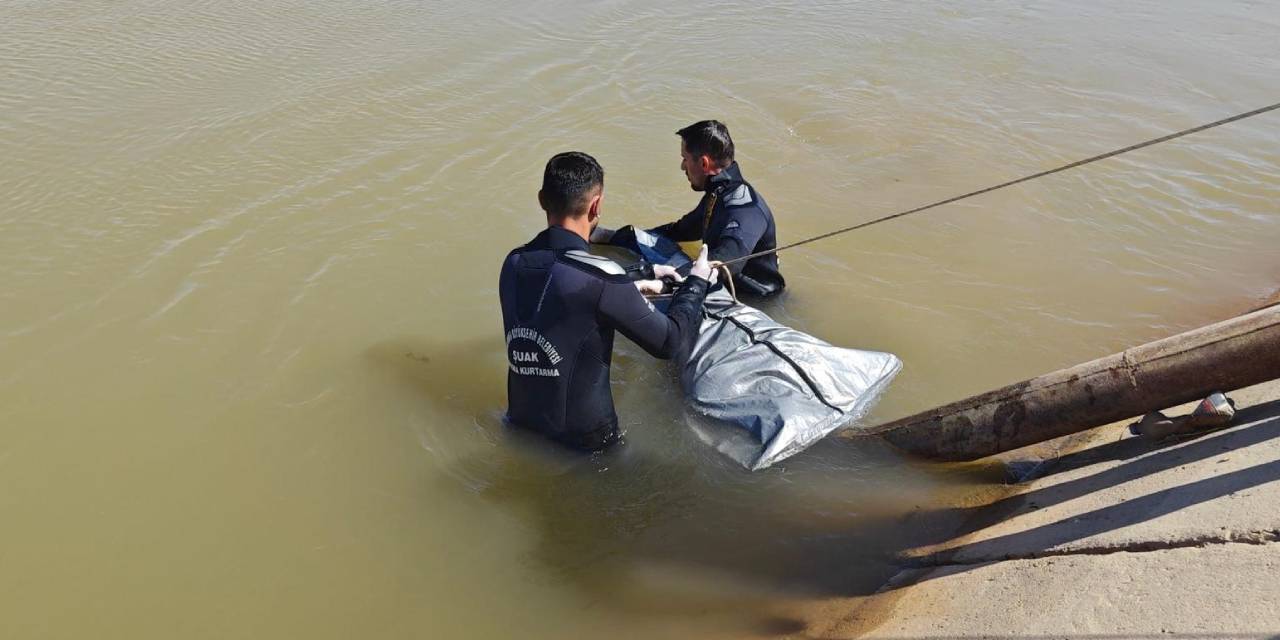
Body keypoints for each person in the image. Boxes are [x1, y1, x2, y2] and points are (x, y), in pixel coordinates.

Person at [499, 151, 718, 451]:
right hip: (589, 450)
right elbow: (670, 342)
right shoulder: (603, 280)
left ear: (541, 200)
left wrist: (641, 277)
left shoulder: (513, 263)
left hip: (519, 430)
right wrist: (697, 281)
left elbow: (564, 287)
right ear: (596, 205)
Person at [593, 120, 785, 298]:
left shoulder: (745, 210)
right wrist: (612, 238)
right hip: (722, 285)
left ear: (703, 163)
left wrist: (665, 284)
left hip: (756, 299)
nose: (682, 166)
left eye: (685, 159)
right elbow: (681, 230)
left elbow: (725, 261)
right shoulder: (718, 193)